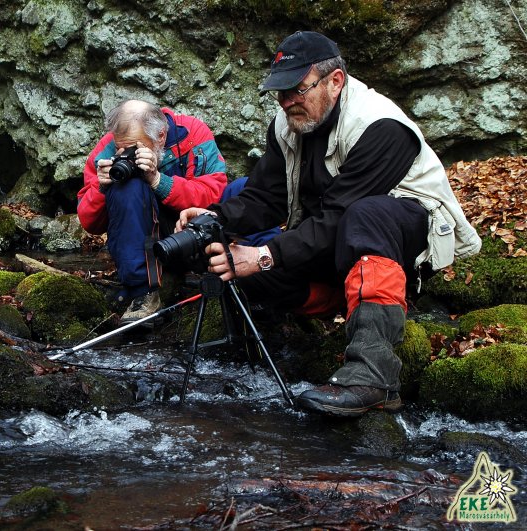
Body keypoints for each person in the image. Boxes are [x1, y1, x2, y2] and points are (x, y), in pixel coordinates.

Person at [176, 31, 481, 417]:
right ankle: (317, 319)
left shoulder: (380, 126)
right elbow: (264, 197)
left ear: (335, 81)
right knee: (235, 267)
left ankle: (374, 376)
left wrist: (265, 255)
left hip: (402, 243)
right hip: (335, 243)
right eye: (280, 93)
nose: (287, 102)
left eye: (297, 90)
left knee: (361, 215)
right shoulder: (289, 124)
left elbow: (339, 215)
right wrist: (214, 218)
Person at [78, 100, 236, 323]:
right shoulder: (107, 148)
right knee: (128, 187)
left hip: (187, 233)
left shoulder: (192, 134)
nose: (127, 153)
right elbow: (89, 223)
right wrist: (101, 188)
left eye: (136, 147)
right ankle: (142, 292)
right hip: (137, 237)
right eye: (122, 148)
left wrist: (158, 180)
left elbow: (214, 195)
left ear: (161, 136)